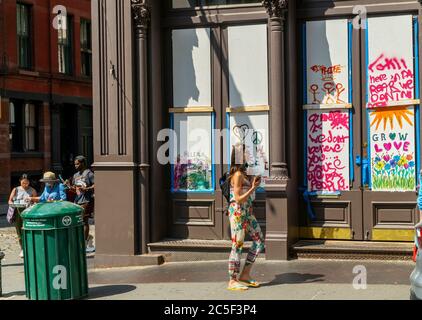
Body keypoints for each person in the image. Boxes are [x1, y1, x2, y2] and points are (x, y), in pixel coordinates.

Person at [227, 143, 265, 291]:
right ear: (238, 157)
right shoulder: (237, 175)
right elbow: (237, 198)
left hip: (247, 213)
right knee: (237, 245)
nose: (248, 155)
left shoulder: (244, 174)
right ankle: (232, 280)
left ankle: (245, 275)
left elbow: (246, 196)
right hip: (237, 212)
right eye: (245, 153)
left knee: (259, 241)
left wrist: (252, 185)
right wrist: (253, 188)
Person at [66, 155, 95, 253]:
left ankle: (84, 243)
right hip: (77, 200)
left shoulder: (89, 173)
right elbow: (75, 189)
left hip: (86, 200)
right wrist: (70, 187)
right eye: (75, 164)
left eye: (77, 164)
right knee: (78, 221)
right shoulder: (75, 175)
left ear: (82, 163)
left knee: (83, 220)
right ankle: (85, 240)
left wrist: (86, 189)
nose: (75, 166)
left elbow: (96, 184)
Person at [8, 174, 37, 258]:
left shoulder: (32, 190)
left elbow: (36, 202)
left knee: (28, 229)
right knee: (19, 231)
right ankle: (22, 249)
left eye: (27, 182)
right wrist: (12, 204)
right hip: (18, 211)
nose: (25, 184)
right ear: (20, 181)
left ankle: (30, 247)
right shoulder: (16, 189)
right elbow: (9, 201)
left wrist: (32, 202)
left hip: (29, 212)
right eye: (23, 182)